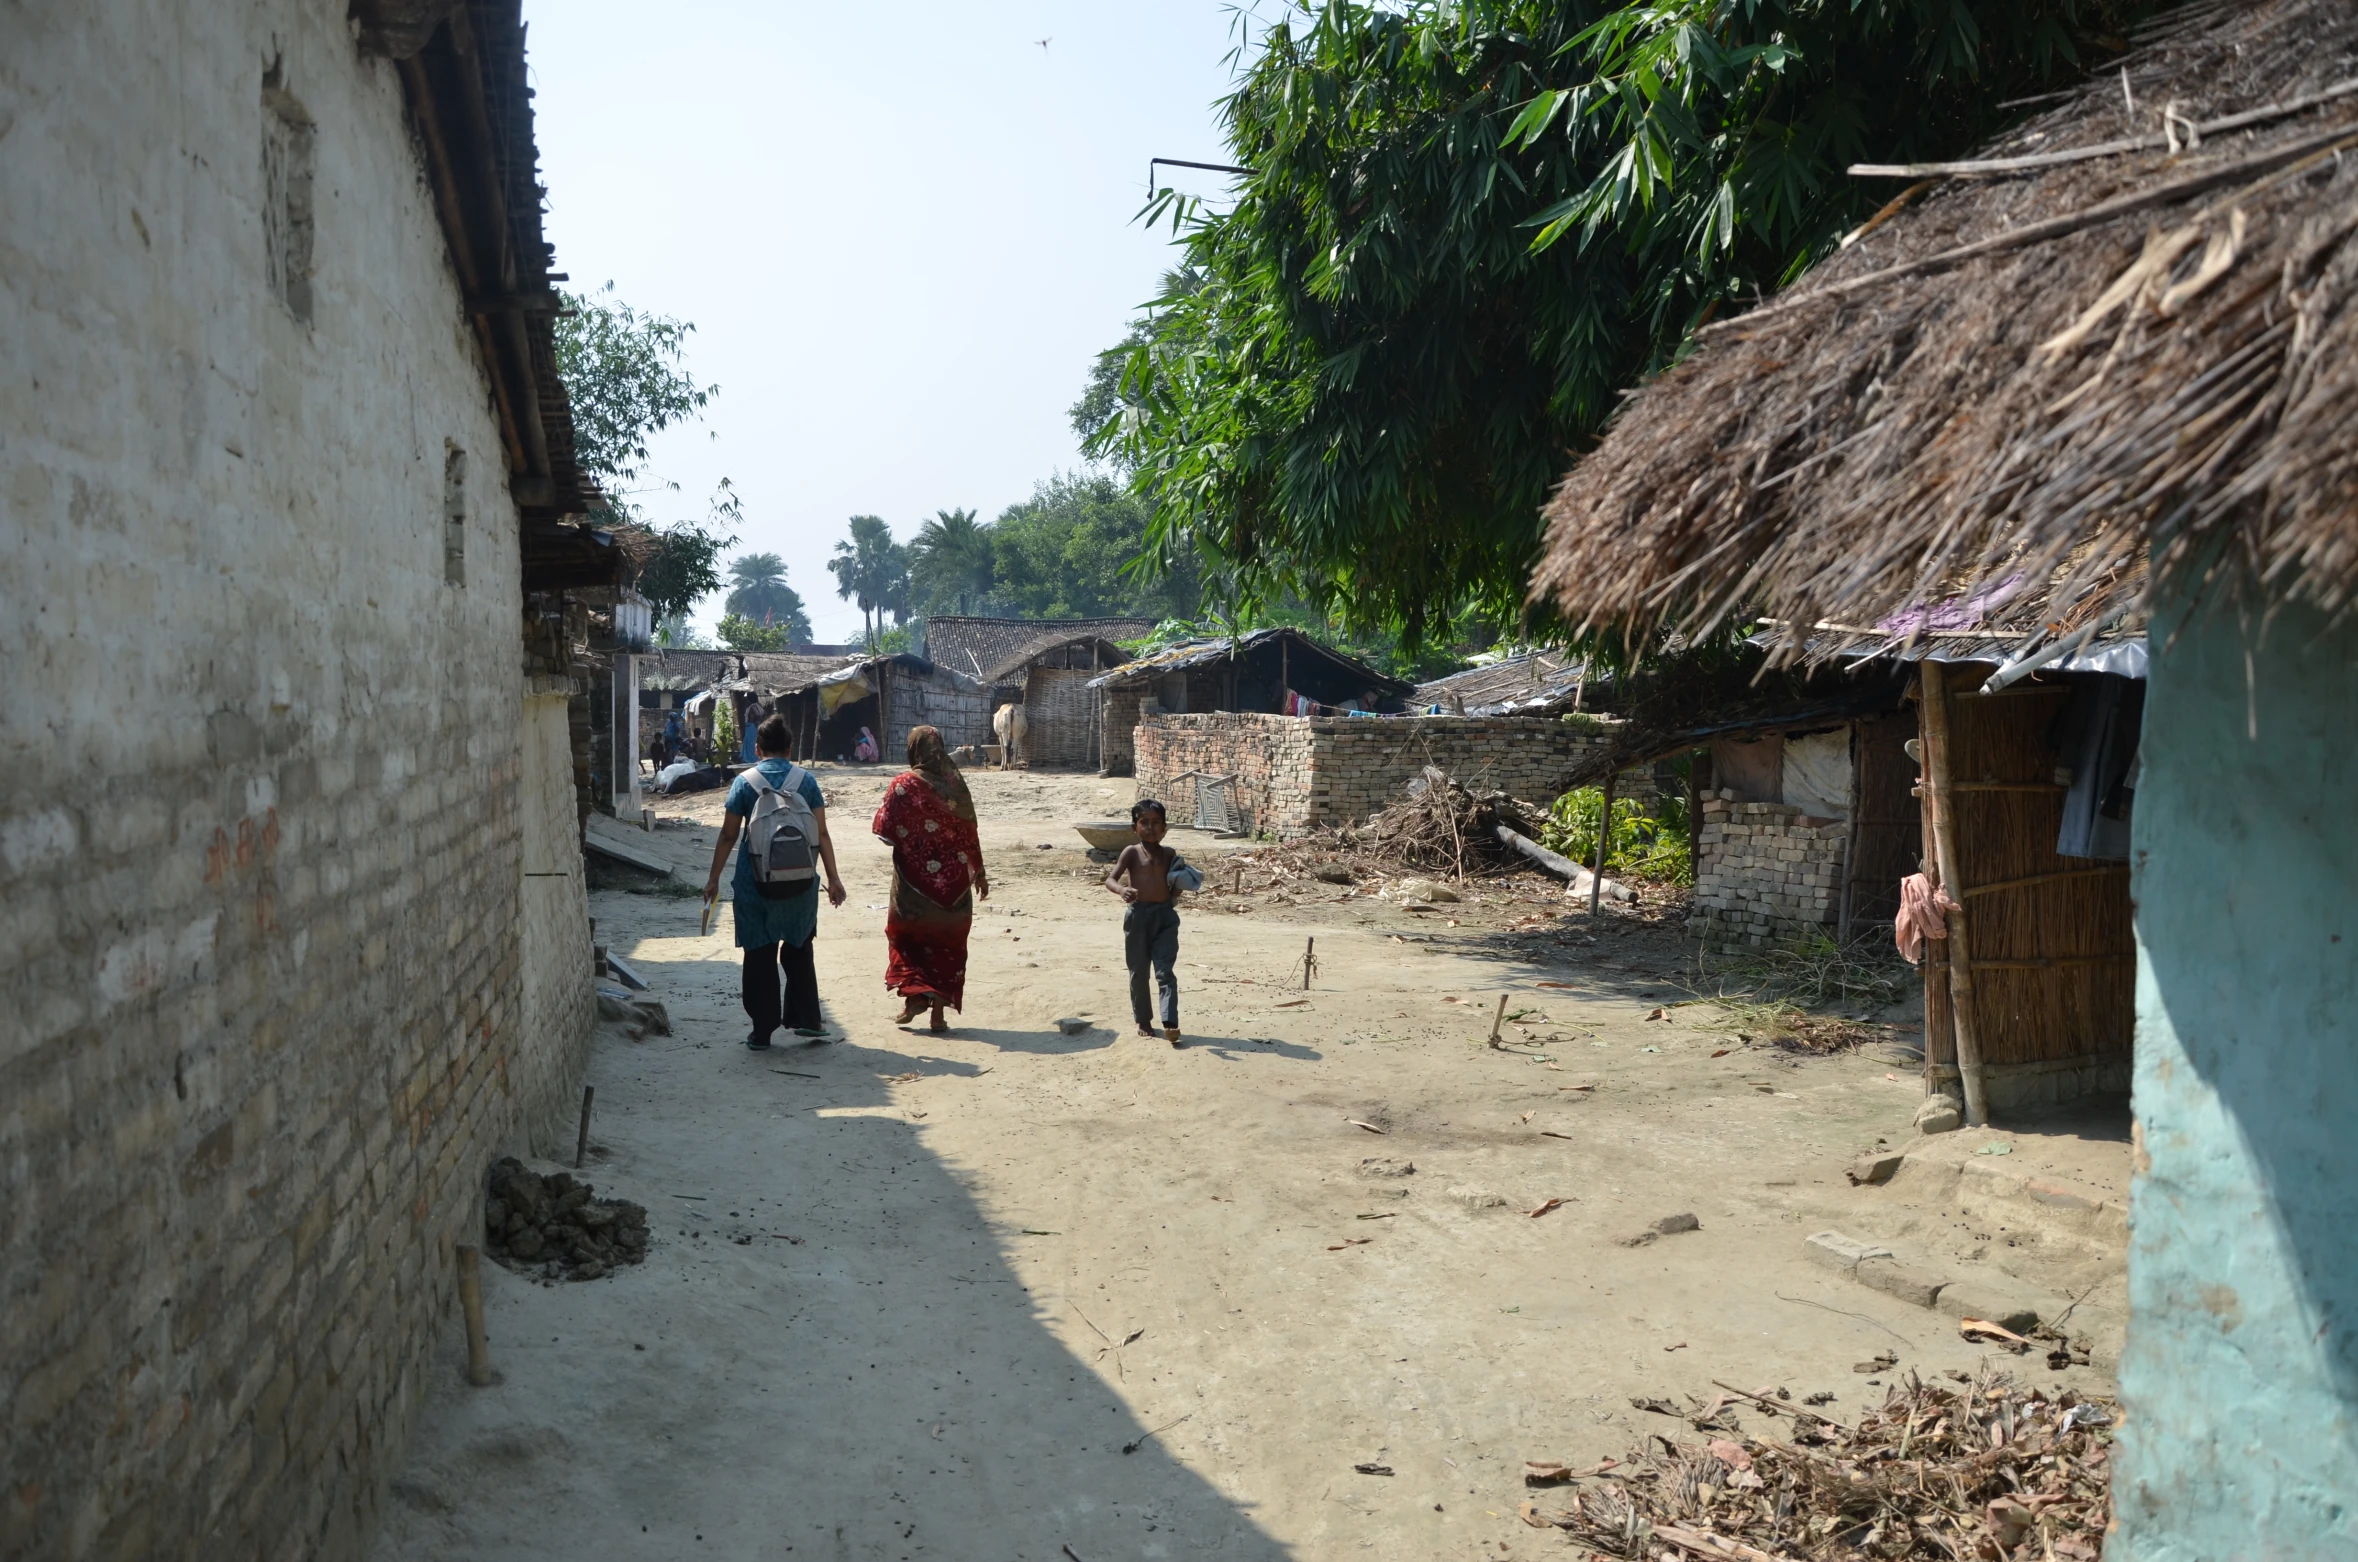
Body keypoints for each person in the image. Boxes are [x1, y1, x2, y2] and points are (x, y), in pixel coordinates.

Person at [703, 714, 848, 1049]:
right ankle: (809, 1020)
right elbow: (821, 832)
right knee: (799, 948)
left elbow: (727, 835)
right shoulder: (807, 781)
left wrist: (713, 879)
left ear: (758, 748)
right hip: (800, 882)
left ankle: (763, 1031)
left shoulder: (744, 783)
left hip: (755, 884)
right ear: (790, 747)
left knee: (759, 954)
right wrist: (834, 878)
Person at [871, 726, 987, 1033]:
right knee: (946, 946)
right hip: (955, 889)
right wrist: (980, 873)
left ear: (914, 750)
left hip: (912, 888)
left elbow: (885, 833)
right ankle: (938, 1015)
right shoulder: (957, 785)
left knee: (908, 938)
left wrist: (915, 836)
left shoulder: (902, 785)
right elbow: (970, 832)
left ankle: (914, 998)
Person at [1105, 798, 1201, 1048]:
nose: (1150, 828)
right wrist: (1122, 890)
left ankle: (1170, 1021)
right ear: (1134, 827)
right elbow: (1110, 880)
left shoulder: (1169, 854)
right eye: (1144, 823)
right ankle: (1144, 1020)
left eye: (1156, 823)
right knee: (1138, 971)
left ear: (1165, 827)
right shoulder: (1131, 852)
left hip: (1165, 917)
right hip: (1138, 917)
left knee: (1164, 971)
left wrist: (1176, 893)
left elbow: (1175, 881)